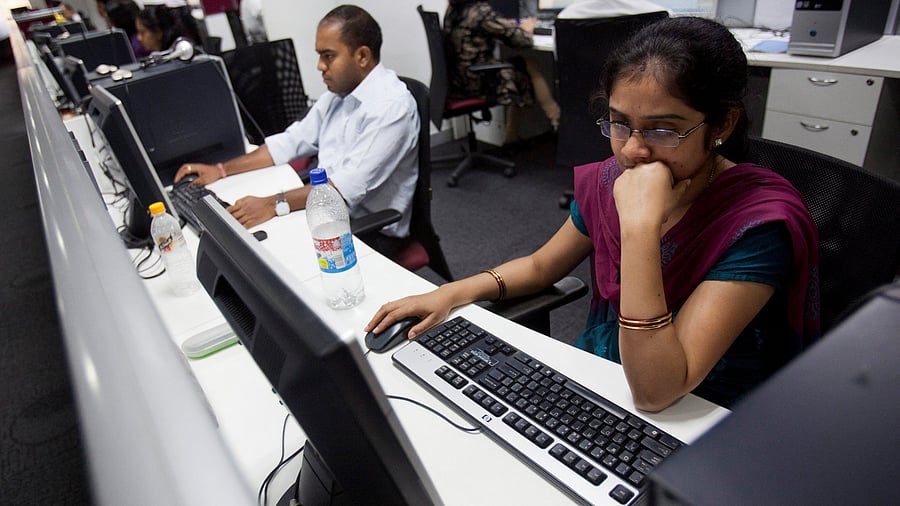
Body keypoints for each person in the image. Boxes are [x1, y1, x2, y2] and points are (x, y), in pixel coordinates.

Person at [367, 17, 821, 411]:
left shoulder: (757, 224)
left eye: (664, 129)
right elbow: (544, 266)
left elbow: (658, 390)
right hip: (606, 374)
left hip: (700, 407)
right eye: (620, 123)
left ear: (721, 124)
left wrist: (640, 226)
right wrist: (451, 293)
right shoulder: (610, 180)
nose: (634, 151)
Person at [173, 5, 419, 257]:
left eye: (328, 56)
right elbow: (291, 142)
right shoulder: (340, 94)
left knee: (260, 257)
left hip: (368, 231)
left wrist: (272, 203)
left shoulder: (390, 107)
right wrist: (221, 170)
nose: (320, 66)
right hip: (325, 207)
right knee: (247, 245)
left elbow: (344, 189)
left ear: (363, 56)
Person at [443, 0, 560, 143]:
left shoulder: (454, 10)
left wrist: (504, 25)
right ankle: (554, 117)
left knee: (526, 64)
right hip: (477, 81)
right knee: (525, 69)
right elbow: (521, 41)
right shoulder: (480, 11)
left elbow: (487, 28)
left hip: (457, 80)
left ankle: (519, 133)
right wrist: (527, 29)